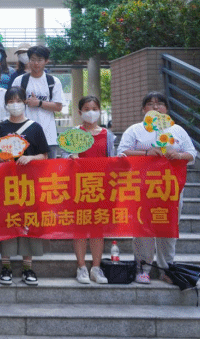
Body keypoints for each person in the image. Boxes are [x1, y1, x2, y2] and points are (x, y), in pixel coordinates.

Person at [117, 91, 197, 284]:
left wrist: (178, 155)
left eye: (160, 103)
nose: (155, 107)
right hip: (142, 189)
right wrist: (146, 152)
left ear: (166, 109)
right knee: (142, 227)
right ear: (143, 109)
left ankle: (166, 269)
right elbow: (121, 152)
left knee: (167, 228)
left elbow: (192, 154)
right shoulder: (135, 130)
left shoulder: (176, 130)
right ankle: (142, 268)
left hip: (170, 190)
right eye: (150, 104)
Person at [0, 86, 49, 286]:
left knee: (28, 220)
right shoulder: (0, 128)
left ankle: (27, 267)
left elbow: (45, 155)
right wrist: (2, 159)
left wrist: (30, 158)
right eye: (10, 101)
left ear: (24, 102)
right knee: (6, 220)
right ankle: (5, 266)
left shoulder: (35, 128)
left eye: (18, 101)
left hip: (29, 183)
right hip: (6, 183)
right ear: (6, 104)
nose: (14, 104)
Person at [65, 96, 115, 285]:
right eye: (87, 109)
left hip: (100, 188)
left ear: (100, 111)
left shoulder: (108, 135)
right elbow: (63, 157)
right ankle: (81, 268)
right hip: (78, 187)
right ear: (80, 112)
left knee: (97, 229)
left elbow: (112, 159)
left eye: (94, 108)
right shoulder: (73, 134)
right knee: (79, 228)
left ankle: (96, 267)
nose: (91, 112)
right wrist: (70, 157)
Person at [11, 45, 64, 159]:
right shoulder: (19, 81)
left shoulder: (53, 81)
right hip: (23, 135)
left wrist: (39, 103)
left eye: (39, 60)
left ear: (46, 61)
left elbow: (58, 107)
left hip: (48, 136)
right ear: (28, 60)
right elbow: (11, 103)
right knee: (23, 168)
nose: (36, 63)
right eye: (33, 59)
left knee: (49, 168)